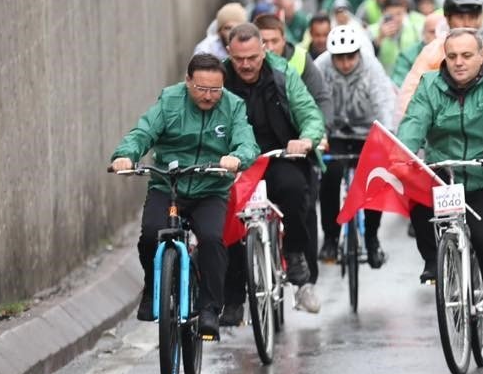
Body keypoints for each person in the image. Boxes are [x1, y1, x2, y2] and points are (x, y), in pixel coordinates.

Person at [110, 54, 259, 338]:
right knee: (151, 234)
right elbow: (142, 132)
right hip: (169, 185)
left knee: (213, 240)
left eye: (215, 90)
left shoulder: (233, 106)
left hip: (210, 188)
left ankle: (210, 308)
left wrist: (237, 157)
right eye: (201, 88)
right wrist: (126, 156)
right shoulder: (169, 102)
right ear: (187, 81)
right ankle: (153, 285)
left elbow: (246, 140)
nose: (208, 96)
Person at [397, 28, 483, 341]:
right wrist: (403, 155)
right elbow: (414, 122)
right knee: (418, 204)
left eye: (467, 55)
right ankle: (433, 260)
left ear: (481, 57)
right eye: (452, 56)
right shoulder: (429, 85)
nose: (459, 62)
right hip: (444, 174)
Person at [221, 23, 328, 316]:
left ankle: (294, 256)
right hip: (234, 162)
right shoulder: (218, 77)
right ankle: (232, 297)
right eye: (239, 58)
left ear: (264, 51)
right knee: (226, 213)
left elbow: (310, 113)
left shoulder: (283, 73)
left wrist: (306, 139)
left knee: (295, 191)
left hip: (278, 154)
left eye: (252, 58)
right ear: (229, 53)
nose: (246, 65)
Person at [316, 24, 398, 268]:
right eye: (339, 58)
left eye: (350, 57)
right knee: (330, 175)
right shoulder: (320, 66)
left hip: (368, 132)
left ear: (358, 53)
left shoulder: (371, 67)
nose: (345, 63)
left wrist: (387, 137)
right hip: (335, 132)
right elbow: (312, 102)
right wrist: (318, 134)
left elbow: (384, 101)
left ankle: (372, 239)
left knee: (374, 180)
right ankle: (330, 237)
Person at [397, 0, 483, 116]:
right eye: (460, 17)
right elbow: (410, 93)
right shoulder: (432, 51)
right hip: (439, 122)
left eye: (472, 18)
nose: (467, 23)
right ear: (448, 19)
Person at [255, 13, 332, 125]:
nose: (270, 48)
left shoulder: (301, 57)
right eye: (264, 42)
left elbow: (320, 98)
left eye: (275, 41)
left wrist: (322, 132)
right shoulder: (246, 62)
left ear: (284, 39)